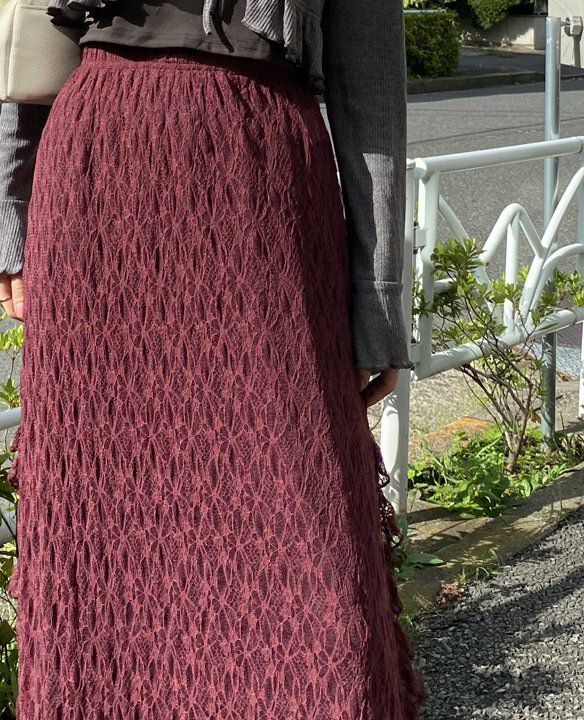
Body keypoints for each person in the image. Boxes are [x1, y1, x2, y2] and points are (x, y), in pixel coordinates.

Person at [0, 0, 424, 717]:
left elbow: (369, 87)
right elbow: (26, 40)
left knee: (306, 530)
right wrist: (10, 215)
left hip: (261, 182)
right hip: (96, 173)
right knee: (107, 532)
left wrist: (376, 303)